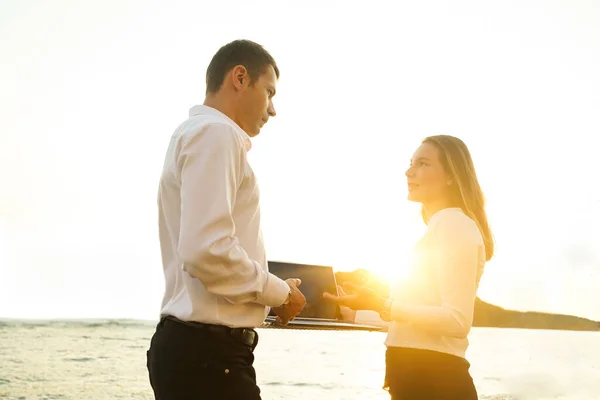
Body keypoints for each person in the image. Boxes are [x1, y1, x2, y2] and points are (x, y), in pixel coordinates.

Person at [146, 39, 306, 400]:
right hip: (209, 356)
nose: (273, 109)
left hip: (197, 353)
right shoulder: (217, 134)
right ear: (239, 77)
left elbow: (205, 248)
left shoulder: (195, 135)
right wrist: (280, 294)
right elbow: (207, 251)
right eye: (269, 92)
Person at [325, 135, 494, 400]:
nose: (409, 172)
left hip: (435, 382)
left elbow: (457, 321)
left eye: (423, 164)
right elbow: (415, 324)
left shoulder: (454, 225)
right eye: (411, 163)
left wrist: (385, 305)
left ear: (452, 176)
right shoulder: (440, 227)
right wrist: (356, 313)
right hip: (418, 379)